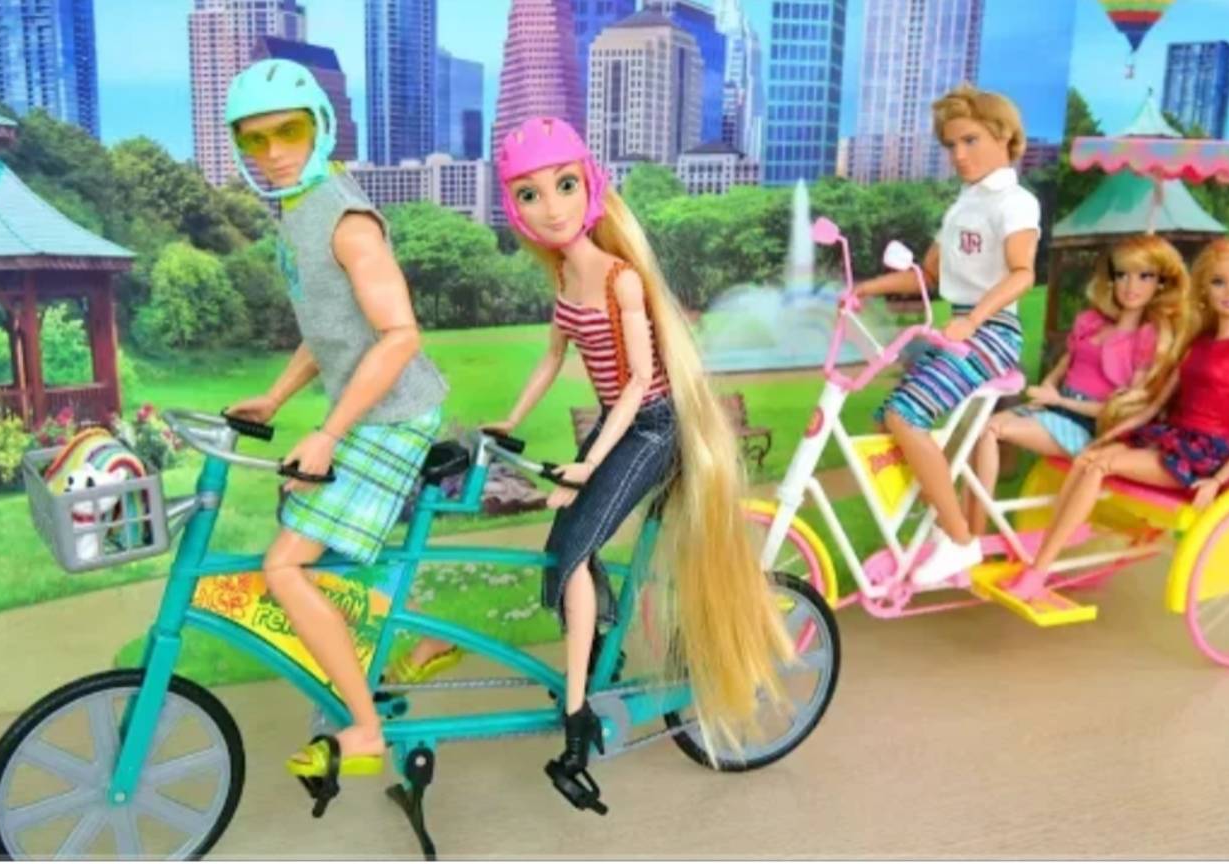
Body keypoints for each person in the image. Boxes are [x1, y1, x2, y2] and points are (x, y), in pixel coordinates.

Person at [397, 116, 793, 812]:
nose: (551, 207)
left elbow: (640, 383)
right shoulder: (565, 279)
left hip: (652, 428)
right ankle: (601, 650)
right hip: (618, 427)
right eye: (529, 195)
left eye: (564, 186)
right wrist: (511, 419)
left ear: (591, 186)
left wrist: (590, 464)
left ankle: (577, 717)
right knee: (563, 549)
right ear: (513, 208)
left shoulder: (619, 281)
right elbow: (552, 358)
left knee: (575, 551)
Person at [221, 58, 449, 785]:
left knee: (284, 565)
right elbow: (330, 332)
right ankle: (417, 643)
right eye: (253, 140)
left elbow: (400, 336)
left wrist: (329, 433)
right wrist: (276, 399)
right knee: (324, 544)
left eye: (287, 132)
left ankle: (366, 729)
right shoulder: (298, 212)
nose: (273, 152)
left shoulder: (346, 223)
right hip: (366, 410)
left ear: (319, 126)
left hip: (395, 415)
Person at [1005, 239, 1229, 599]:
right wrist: (1111, 435)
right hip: (1172, 438)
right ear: (1205, 289)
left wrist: (1217, 480)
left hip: (1202, 456)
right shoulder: (1196, 346)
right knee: (1089, 457)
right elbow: (1153, 409)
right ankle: (1051, 547)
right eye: (1219, 282)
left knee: (1099, 465)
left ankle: (1039, 570)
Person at [852, 84, 1041, 588]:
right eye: (951, 145)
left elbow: (1023, 273)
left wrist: (973, 321)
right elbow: (928, 276)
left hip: (992, 333)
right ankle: (941, 515)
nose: (959, 154)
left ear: (1004, 137)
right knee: (887, 417)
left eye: (970, 140)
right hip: (961, 326)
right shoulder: (963, 204)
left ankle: (959, 540)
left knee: (904, 414)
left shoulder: (1015, 203)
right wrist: (867, 287)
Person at [965, 234, 1187, 536]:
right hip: (1054, 409)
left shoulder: (1146, 338)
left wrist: (1059, 401)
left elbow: (1123, 407)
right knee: (980, 432)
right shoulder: (1092, 322)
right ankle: (967, 523)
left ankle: (973, 535)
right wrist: (1048, 387)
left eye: (1144, 276)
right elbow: (1065, 364)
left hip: (1088, 426)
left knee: (991, 430)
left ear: (1161, 283)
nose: (1131, 286)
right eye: (1122, 275)